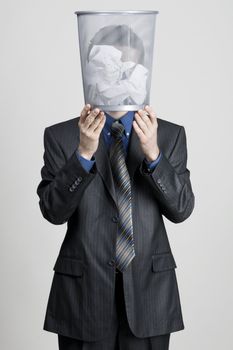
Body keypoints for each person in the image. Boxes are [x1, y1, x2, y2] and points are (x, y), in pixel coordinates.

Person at [36, 103, 195, 350]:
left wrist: (154, 154)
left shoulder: (168, 135)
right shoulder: (61, 136)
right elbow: (53, 212)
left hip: (149, 296)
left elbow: (181, 209)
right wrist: (83, 155)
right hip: (82, 297)